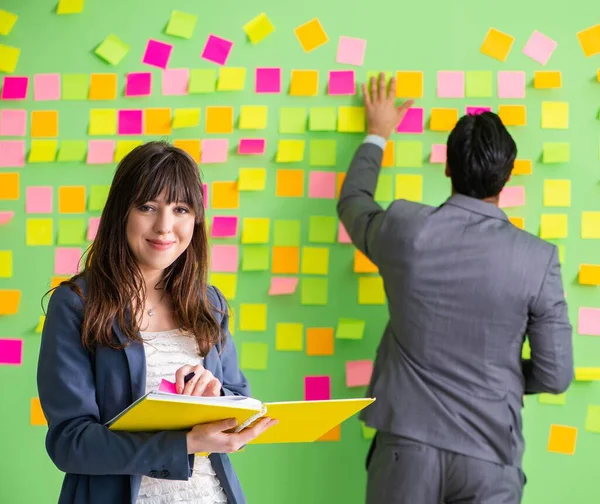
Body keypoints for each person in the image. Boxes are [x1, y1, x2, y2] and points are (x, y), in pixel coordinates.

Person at [337, 73, 573, 504]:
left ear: (447, 167)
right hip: (490, 460)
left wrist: (377, 133)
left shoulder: (406, 229)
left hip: (405, 454)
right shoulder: (538, 259)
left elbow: (353, 201)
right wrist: (495, 369)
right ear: (508, 175)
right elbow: (555, 376)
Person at [37, 141, 277, 504]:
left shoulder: (209, 304)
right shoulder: (77, 305)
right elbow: (71, 442)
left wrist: (216, 398)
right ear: (122, 212)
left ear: (195, 219)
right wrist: (187, 443)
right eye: (147, 206)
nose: (165, 226)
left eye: (180, 209)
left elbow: (240, 400)